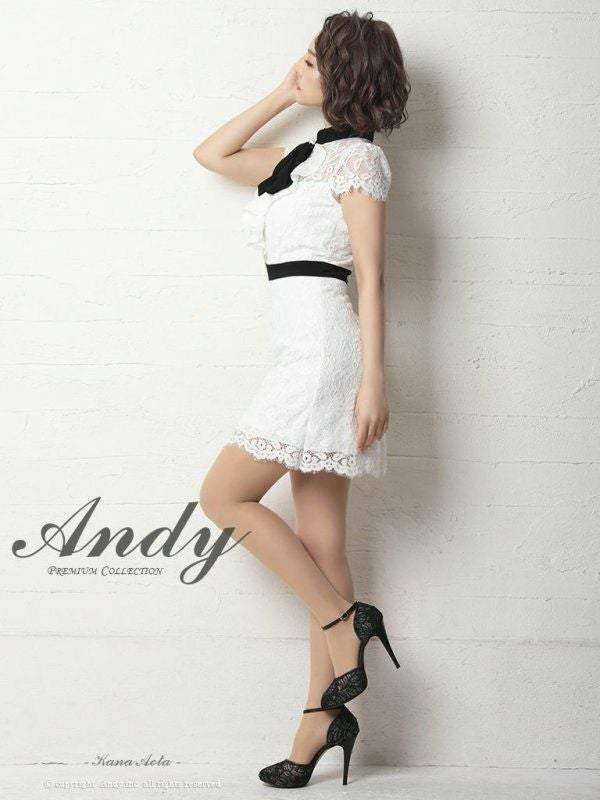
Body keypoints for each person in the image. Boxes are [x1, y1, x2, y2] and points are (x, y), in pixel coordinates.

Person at [193, 10, 410, 788]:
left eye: (314, 61)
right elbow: (211, 153)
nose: (300, 65)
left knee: (222, 496)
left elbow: (373, 278)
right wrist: (285, 94)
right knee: (322, 544)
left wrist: (374, 379)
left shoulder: (360, 162)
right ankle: (319, 722)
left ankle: (344, 624)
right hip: (299, 351)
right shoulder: (303, 157)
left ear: (345, 75)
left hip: (324, 357)